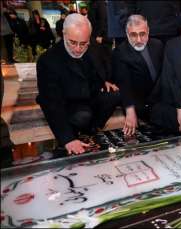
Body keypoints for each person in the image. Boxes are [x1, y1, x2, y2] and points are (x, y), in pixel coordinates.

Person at [36, 13, 122, 155]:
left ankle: (92, 129)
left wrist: (104, 81)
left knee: (114, 95)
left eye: (83, 44)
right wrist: (67, 139)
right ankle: (76, 133)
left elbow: (105, 63)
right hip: (69, 103)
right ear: (63, 34)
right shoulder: (48, 60)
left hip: (89, 95)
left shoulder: (92, 45)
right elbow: (51, 102)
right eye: (72, 42)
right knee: (82, 116)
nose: (77, 49)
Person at [112, 15, 164, 136]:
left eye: (143, 34)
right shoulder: (120, 52)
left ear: (148, 31)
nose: (139, 40)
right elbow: (124, 83)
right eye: (133, 35)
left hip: (160, 97)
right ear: (126, 33)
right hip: (140, 102)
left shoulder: (158, 45)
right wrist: (130, 110)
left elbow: (164, 74)